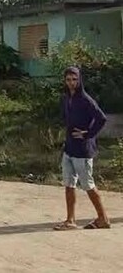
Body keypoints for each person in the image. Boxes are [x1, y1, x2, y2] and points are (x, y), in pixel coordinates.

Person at [53, 66, 110, 230]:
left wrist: (88, 134)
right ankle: (70, 220)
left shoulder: (86, 100)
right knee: (69, 184)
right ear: (65, 81)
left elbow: (101, 118)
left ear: (79, 80)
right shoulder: (66, 99)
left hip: (83, 151)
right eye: (68, 80)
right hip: (69, 148)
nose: (71, 83)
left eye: (74, 79)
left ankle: (103, 219)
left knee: (88, 184)